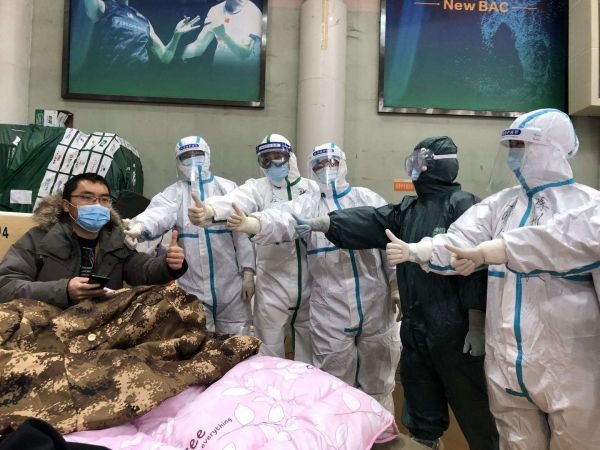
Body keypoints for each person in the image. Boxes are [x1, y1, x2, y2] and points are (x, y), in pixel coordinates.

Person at [385, 109, 600, 449]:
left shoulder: (589, 206)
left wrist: (494, 250)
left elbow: (554, 241)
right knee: (514, 441)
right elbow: (459, 239)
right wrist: (419, 250)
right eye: (510, 147)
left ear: (550, 148)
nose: (514, 156)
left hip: (570, 367)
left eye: (521, 146)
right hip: (506, 363)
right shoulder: (501, 204)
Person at [295, 137, 499, 450]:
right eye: (412, 162)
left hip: (455, 328)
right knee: (420, 394)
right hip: (417, 322)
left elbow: (477, 269)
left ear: (439, 165)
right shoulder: (409, 209)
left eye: (420, 162)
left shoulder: (466, 206)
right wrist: (327, 223)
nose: (414, 169)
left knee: (471, 400)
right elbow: (372, 220)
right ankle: (425, 442)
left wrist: (477, 323)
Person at [226, 142, 401, 413]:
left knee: (378, 378)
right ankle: (338, 430)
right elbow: (280, 218)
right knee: (333, 382)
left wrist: (396, 285)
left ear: (343, 164)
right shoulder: (307, 204)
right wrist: (251, 223)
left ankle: (379, 428)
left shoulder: (367, 198)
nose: (325, 168)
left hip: (375, 304)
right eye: (318, 165)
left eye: (331, 162)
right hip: (331, 309)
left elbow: (391, 243)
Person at [187, 134, 319, 362]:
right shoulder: (257, 188)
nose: (273, 163)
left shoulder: (312, 189)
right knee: (269, 352)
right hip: (273, 284)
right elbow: (235, 200)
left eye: (278, 156)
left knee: (309, 352)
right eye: (266, 159)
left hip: (311, 282)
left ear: (290, 157)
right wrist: (209, 210)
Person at [123, 135, 256, 335]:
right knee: (197, 340)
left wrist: (248, 271)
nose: (193, 160)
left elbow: (242, 235)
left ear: (207, 155)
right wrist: (140, 226)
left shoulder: (228, 189)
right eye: (186, 156)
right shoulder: (175, 194)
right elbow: (159, 213)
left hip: (231, 286)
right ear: (178, 162)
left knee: (236, 342)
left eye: (197, 154)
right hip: (192, 285)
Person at [0, 173, 187, 307]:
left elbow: (143, 270)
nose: (97, 205)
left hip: (101, 322)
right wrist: (63, 290)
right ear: (66, 205)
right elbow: (6, 286)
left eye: (104, 200)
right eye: (87, 198)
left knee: (177, 307)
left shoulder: (115, 240)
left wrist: (168, 264)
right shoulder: (39, 239)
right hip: (50, 323)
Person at [444, 198, 600, 276]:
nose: (515, 152)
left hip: (567, 323)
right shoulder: (504, 199)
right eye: (512, 146)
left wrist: (491, 251)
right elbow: (463, 236)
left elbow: (561, 240)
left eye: (520, 146)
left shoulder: (584, 199)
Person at [80, 0, 200, 77]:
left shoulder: (143, 20)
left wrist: (176, 35)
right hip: (110, 81)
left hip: (139, 83)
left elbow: (165, 57)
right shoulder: (104, 7)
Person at [182, 0, 261, 69]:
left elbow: (245, 53)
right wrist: (179, 51)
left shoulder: (253, 12)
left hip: (244, 76)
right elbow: (199, 45)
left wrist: (224, 36)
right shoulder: (215, 10)